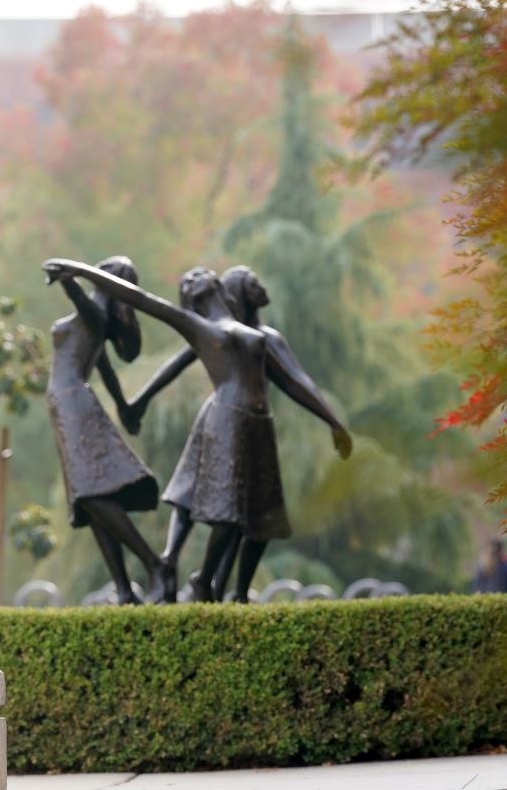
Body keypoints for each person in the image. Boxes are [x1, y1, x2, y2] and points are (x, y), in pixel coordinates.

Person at [42, 258, 350, 604]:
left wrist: (332, 420)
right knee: (218, 503)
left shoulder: (257, 335)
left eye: (199, 275)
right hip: (225, 414)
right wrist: (79, 273)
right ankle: (189, 574)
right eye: (186, 282)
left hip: (257, 420)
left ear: (219, 285)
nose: (192, 278)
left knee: (257, 510)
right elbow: (144, 300)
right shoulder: (198, 328)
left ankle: (216, 586)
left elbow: (294, 379)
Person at [43, 254, 172, 604]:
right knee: (89, 497)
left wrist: (70, 278)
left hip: (73, 403)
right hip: (65, 405)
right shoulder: (95, 323)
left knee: (90, 492)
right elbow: (108, 373)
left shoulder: (96, 317)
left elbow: (81, 299)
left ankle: (154, 563)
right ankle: (125, 589)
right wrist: (123, 405)